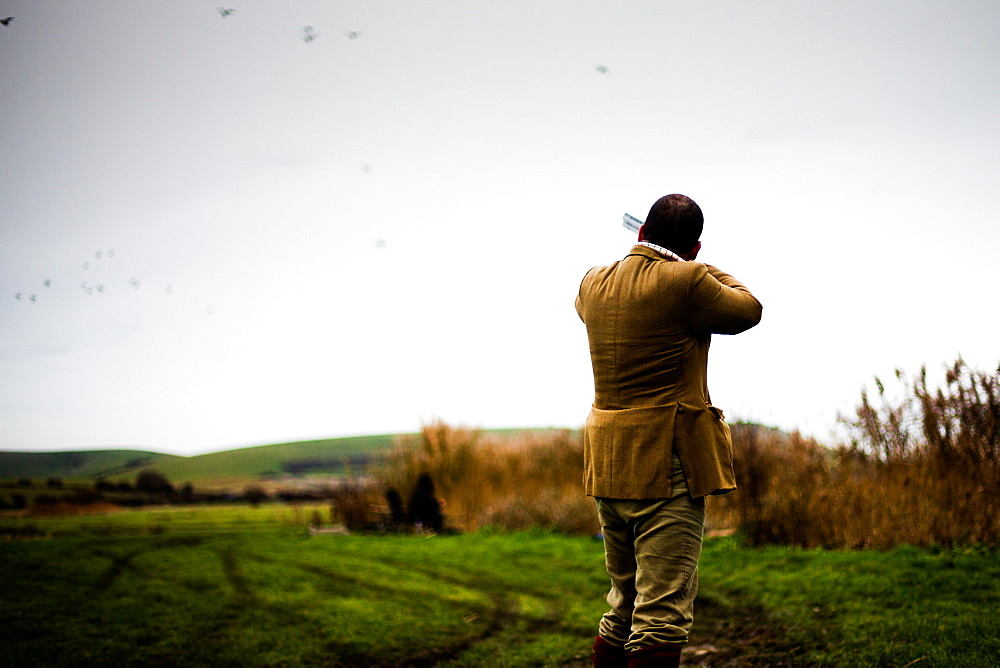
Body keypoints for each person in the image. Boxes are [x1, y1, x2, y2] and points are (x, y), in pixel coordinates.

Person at [575, 194, 762, 667]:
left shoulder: (591, 284)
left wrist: (675, 265)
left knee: (622, 605)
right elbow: (749, 309)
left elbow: (622, 292)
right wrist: (702, 268)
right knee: (661, 617)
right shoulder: (690, 281)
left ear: (640, 235)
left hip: (608, 464)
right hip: (666, 468)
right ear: (694, 248)